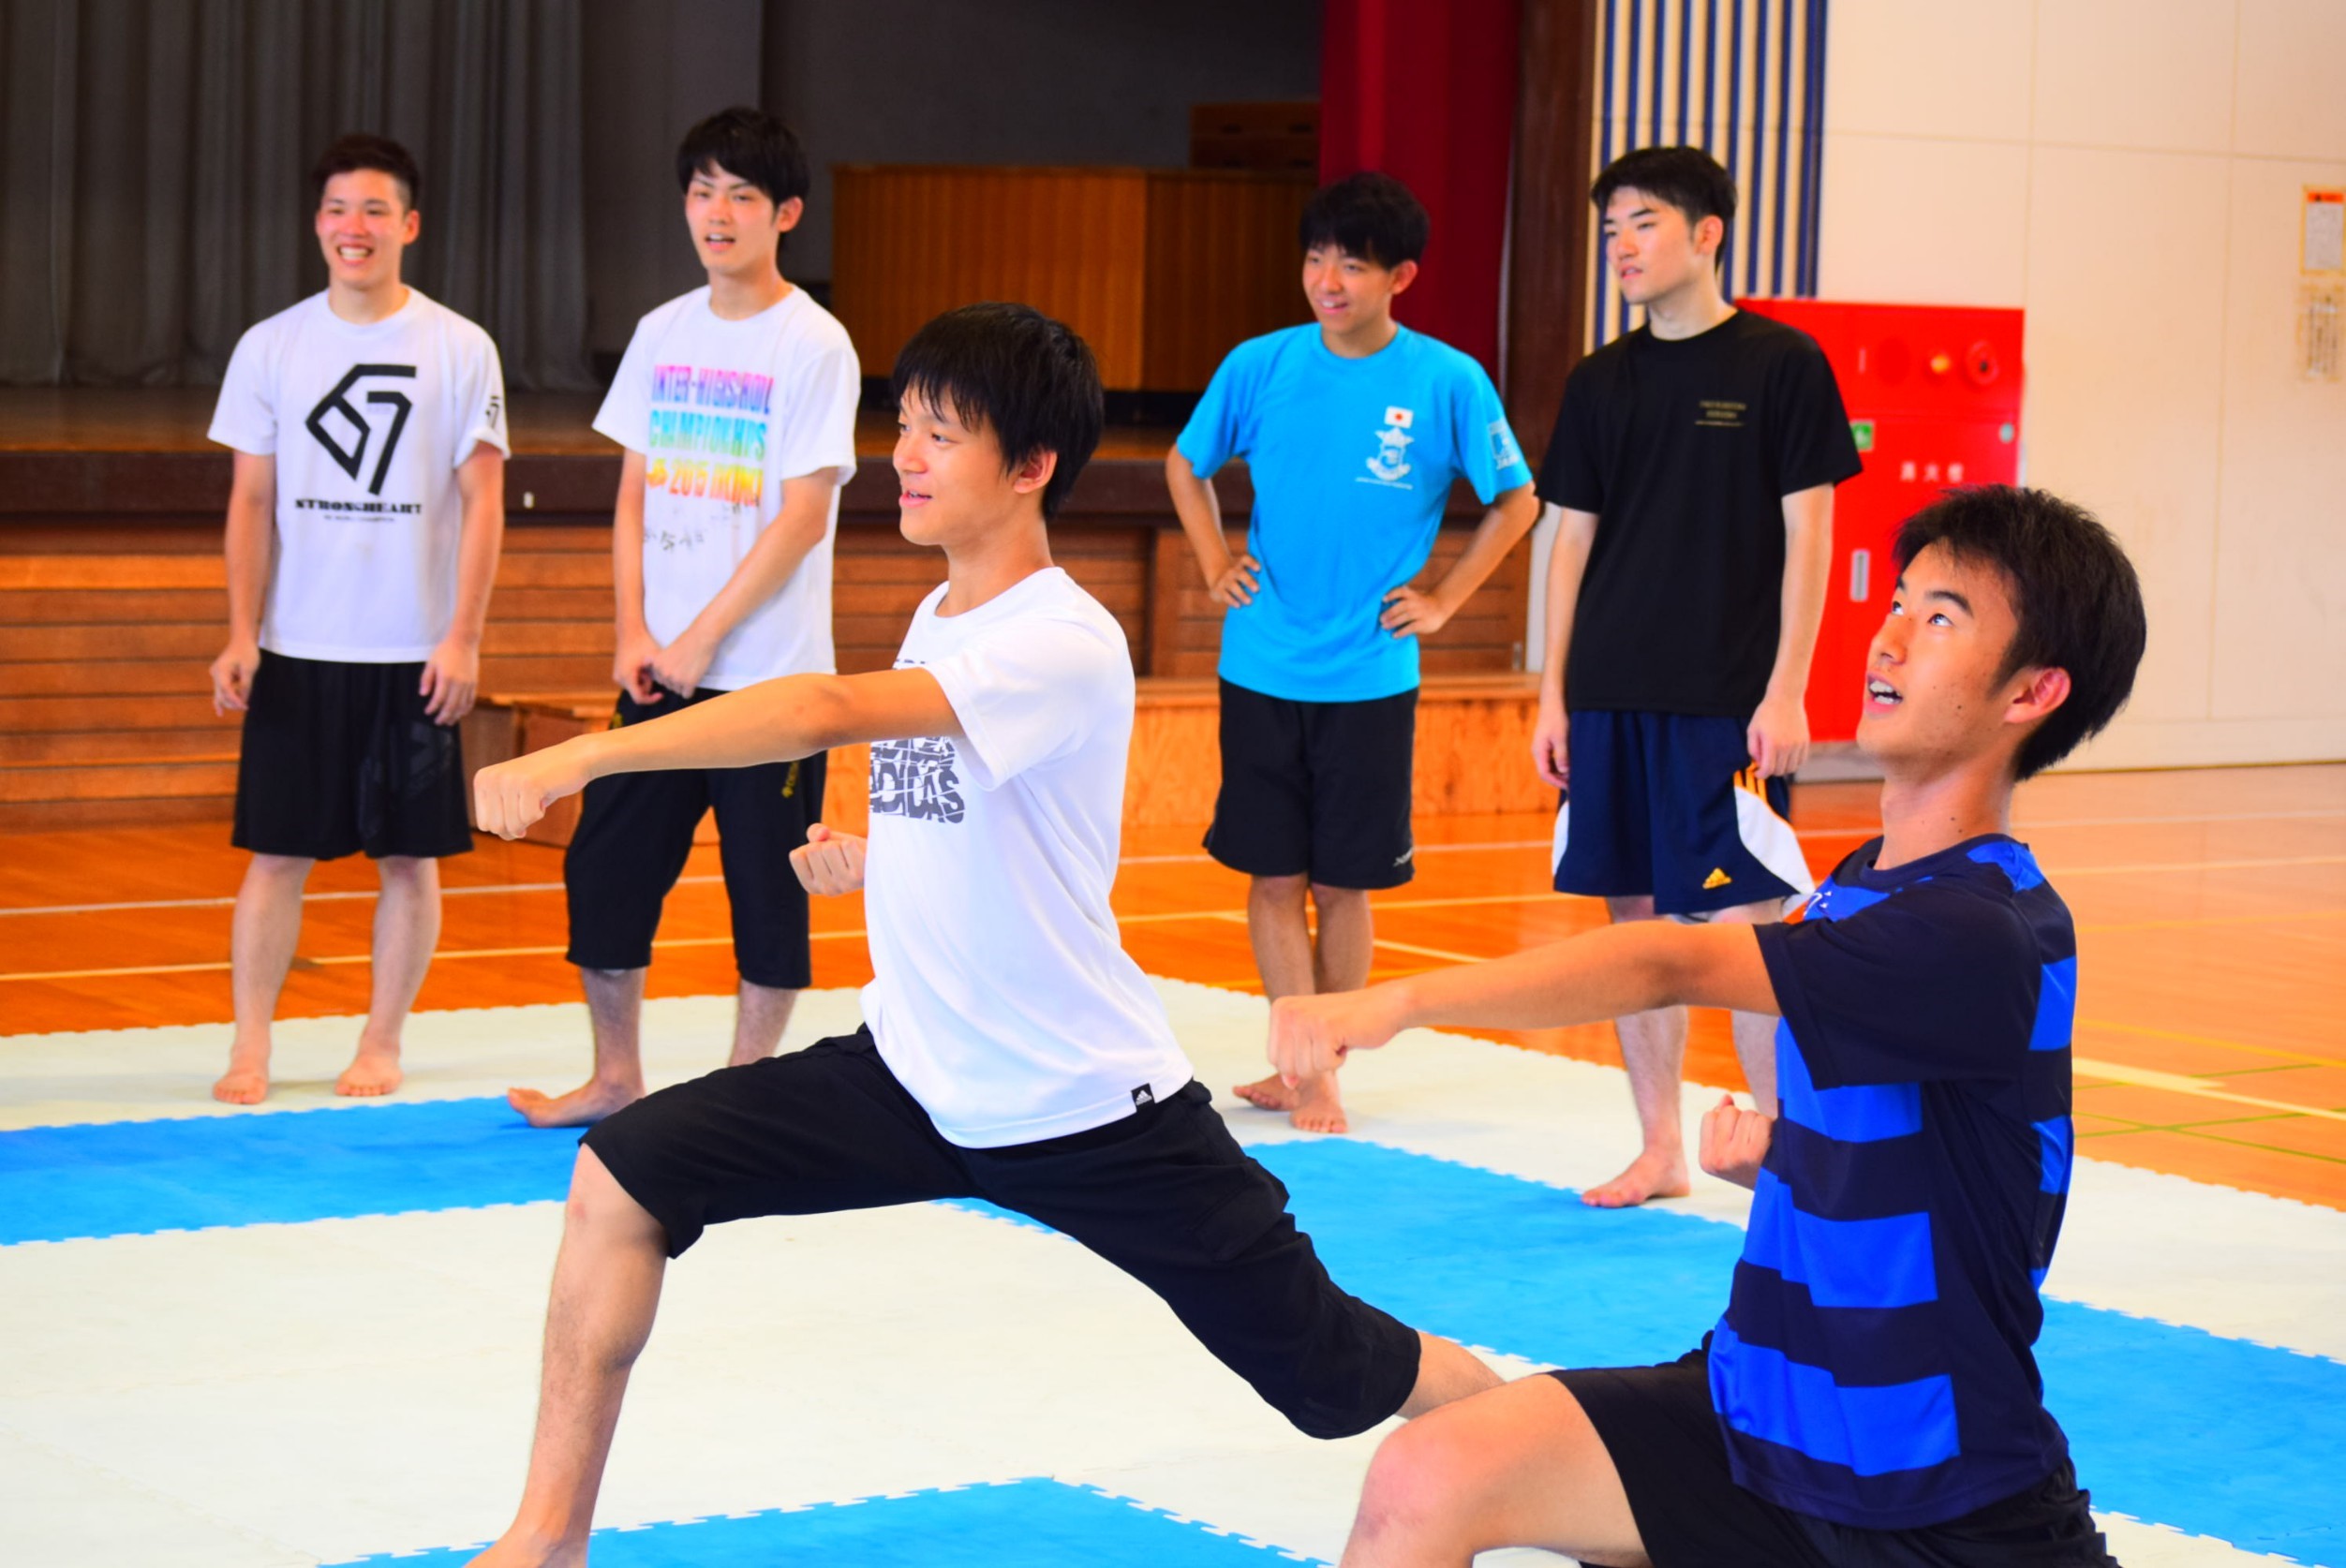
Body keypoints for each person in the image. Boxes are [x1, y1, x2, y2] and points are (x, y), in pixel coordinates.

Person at [461, 304, 1500, 1566]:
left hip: (1082, 1105)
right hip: (913, 1075)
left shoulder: (1063, 638)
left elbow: (825, 708)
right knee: (620, 1177)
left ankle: (1557, 1448)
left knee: (1332, 1370)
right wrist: (872, 856)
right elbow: (977, 815)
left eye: (941, 434)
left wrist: (583, 756)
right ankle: (545, 1540)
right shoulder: (940, 616)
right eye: (904, 425)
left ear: (1030, 466)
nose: (905, 455)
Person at [1268, 485, 2146, 1567]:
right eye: (1899, 601)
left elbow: (1670, 959)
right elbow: (1947, 1152)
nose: (1887, 636)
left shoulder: (1980, 928)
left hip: (1931, 1493)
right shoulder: (1862, 883)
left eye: (1941, 618)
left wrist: (1397, 1002)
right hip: (1754, 1415)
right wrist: (1784, 1159)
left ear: (2033, 691)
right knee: (1425, 1477)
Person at [1166, 170, 1538, 1136]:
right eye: (1315, 259)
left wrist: (1445, 599)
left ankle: (1322, 1069)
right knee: (1271, 877)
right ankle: (1297, 1063)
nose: (1327, 281)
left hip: (1371, 676)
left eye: (1353, 266)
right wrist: (1213, 561)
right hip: (1259, 664)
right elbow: (1185, 463)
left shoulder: (1446, 380)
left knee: (1343, 883)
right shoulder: (1260, 364)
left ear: (1400, 276)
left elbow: (1517, 499)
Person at [507, 108, 859, 1128]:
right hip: (657, 674)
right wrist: (634, 631)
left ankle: (745, 1097)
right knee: (606, 869)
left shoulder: (813, 342)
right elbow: (633, 494)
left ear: (785, 213)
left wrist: (703, 639)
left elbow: (803, 516)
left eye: (741, 195)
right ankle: (615, 1076)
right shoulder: (662, 331)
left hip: (772, 683)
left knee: (768, 890)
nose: (717, 212)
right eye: (702, 191)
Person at [1530, 146, 1863, 1206]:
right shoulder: (1599, 382)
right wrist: (1552, 694)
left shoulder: (1780, 365)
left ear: (1705, 233)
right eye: (1610, 230)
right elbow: (1569, 543)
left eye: (1642, 223)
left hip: (1723, 700)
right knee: (1637, 929)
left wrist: (1787, 687)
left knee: (1743, 926)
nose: (1621, 247)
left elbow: (1810, 537)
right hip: (1608, 695)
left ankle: (1782, 1154)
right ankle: (1660, 1147)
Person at [206, 133, 508, 1105]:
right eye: (339, 209)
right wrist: (241, 631)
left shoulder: (459, 347)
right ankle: (250, 1046)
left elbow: (484, 503)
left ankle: (381, 1043)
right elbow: (251, 499)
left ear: (409, 226)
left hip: (413, 652)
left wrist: (462, 636)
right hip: (298, 647)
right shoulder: (272, 346)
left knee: (410, 861)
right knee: (275, 856)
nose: (355, 227)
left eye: (376, 210)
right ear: (317, 223)